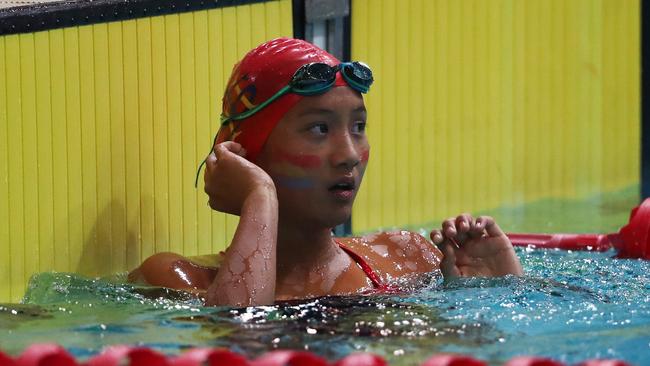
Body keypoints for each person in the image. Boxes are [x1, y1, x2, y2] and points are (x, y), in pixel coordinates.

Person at [128, 38, 523, 307]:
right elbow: (238, 343)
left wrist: (493, 291)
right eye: (319, 129)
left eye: (359, 127)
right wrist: (260, 196)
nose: (349, 155)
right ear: (246, 152)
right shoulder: (176, 279)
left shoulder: (407, 258)